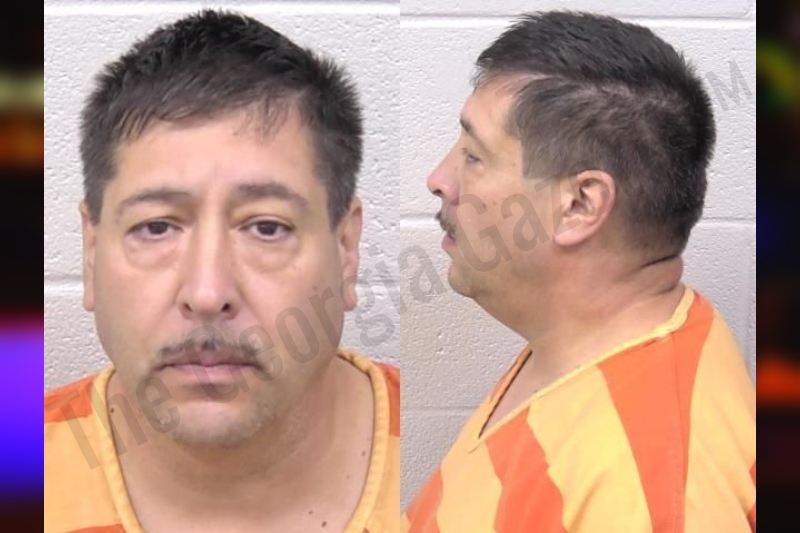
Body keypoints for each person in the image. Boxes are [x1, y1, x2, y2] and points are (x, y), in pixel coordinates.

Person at [44, 10, 399, 533]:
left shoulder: (452, 467)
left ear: (346, 249)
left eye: (267, 228)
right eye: (156, 227)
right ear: (91, 251)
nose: (208, 293)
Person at [404, 11, 755, 533]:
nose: (439, 180)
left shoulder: (642, 495)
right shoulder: (585, 345)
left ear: (580, 205)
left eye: (474, 157)